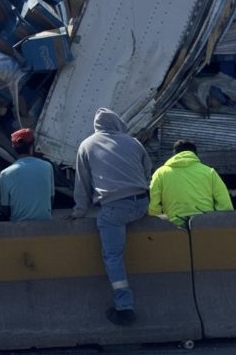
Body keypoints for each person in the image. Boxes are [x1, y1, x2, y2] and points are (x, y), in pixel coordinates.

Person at [68, 108, 153, 326]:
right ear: (117, 123)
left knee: (113, 256)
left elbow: (82, 183)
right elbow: (147, 172)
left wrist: (79, 211)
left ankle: (124, 305)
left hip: (115, 210)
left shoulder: (86, 145)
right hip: (141, 204)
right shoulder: (134, 142)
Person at [147, 140, 233, 227]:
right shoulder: (209, 172)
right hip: (205, 225)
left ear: (174, 154)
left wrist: (158, 223)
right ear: (195, 154)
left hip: (174, 227)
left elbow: (153, 204)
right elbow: (225, 204)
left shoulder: (160, 173)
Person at [0, 128, 54, 221]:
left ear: (14, 148)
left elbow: (5, 208)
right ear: (32, 146)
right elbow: (51, 199)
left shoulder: (5, 174)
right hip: (45, 223)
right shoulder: (47, 167)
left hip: (19, 225)